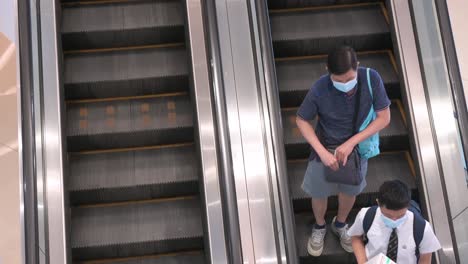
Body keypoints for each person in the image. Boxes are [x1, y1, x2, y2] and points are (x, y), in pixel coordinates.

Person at [296, 46, 391, 256]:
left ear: (357, 66)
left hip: (356, 151)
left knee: (350, 191)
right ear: (327, 70)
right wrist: (322, 152)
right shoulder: (320, 88)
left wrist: (351, 143)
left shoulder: (370, 78)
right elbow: (302, 120)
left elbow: (384, 117)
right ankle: (319, 226)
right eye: (338, 81)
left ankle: (340, 224)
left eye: (349, 78)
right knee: (318, 191)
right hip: (325, 148)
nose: (345, 85)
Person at [348, 180, 441, 263]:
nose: (394, 220)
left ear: (407, 206)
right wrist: (362, 261)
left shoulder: (422, 227)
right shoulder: (366, 215)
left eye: (400, 215)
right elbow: (356, 237)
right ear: (378, 203)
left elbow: (425, 258)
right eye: (388, 215)